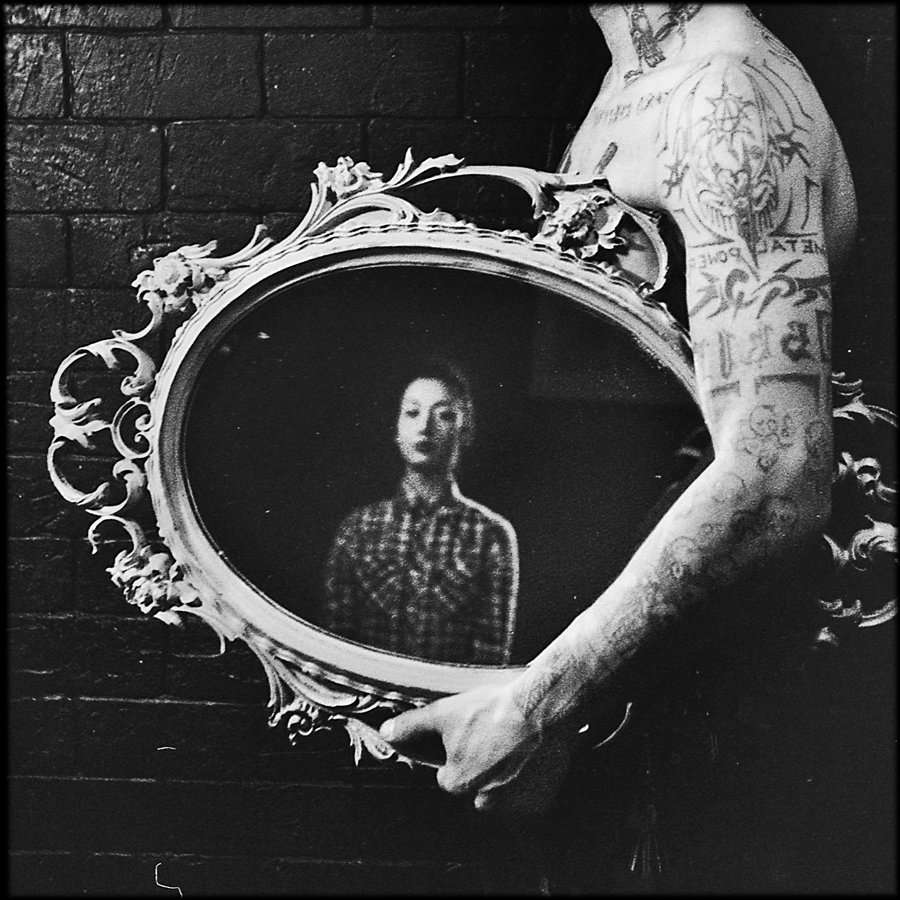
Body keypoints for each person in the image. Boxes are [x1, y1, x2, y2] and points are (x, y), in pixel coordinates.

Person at [379, 2, 857, 819]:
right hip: (606, 704)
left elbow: (777, 471)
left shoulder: (725, 93)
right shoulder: (631, 81)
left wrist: (537, 707)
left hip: (698, 731)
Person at [321, 359, 519, 665]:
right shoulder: (358, 529)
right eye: (412, 412)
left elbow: (490, 661)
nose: (425, 427)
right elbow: (336, 647)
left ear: (465, 430)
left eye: (444, 415)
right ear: (397, 428)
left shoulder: (490, 536)